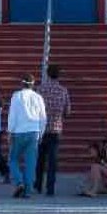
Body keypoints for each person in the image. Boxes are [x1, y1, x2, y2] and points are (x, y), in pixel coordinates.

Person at [6, 74, 47, 198]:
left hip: (19, 131)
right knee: (31, 162)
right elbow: (43, 117)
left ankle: (19, 181)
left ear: (21, 83)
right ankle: (28, 190)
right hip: (33, 131)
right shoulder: (38, 97)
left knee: (13, 159)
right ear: (33, 84)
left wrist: (9, 131)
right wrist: (41, 133)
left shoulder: (16, 96)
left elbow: (12, 115)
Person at [34, 64, 71, 197]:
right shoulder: (63, 91)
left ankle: (37, 185)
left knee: (40, 159)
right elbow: (68, 111)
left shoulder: (40, 89)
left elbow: (35, 109)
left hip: (41, 128)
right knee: (52, 160)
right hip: (55, 129)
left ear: (48, 74)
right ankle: (50, 188)